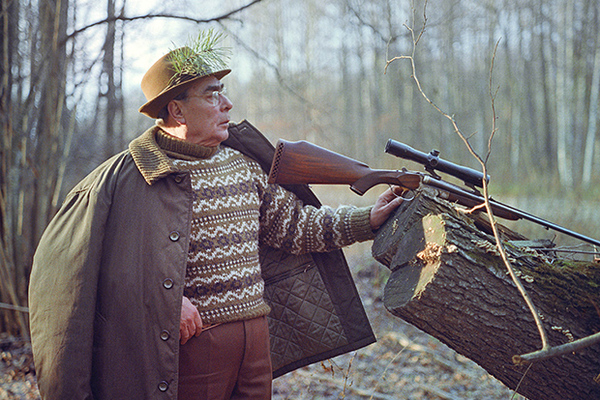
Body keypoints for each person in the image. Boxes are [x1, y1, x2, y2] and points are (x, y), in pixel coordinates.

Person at [28, 32, 404, 400]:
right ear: (176, 109)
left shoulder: (242, 166)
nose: (227, 104)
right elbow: (82, 278)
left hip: (256, 342)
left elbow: (296, 227)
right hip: (191, 348)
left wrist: (368, 219)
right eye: (212, 95)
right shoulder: (126, 181)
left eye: (222, 93)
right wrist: (165, 305)